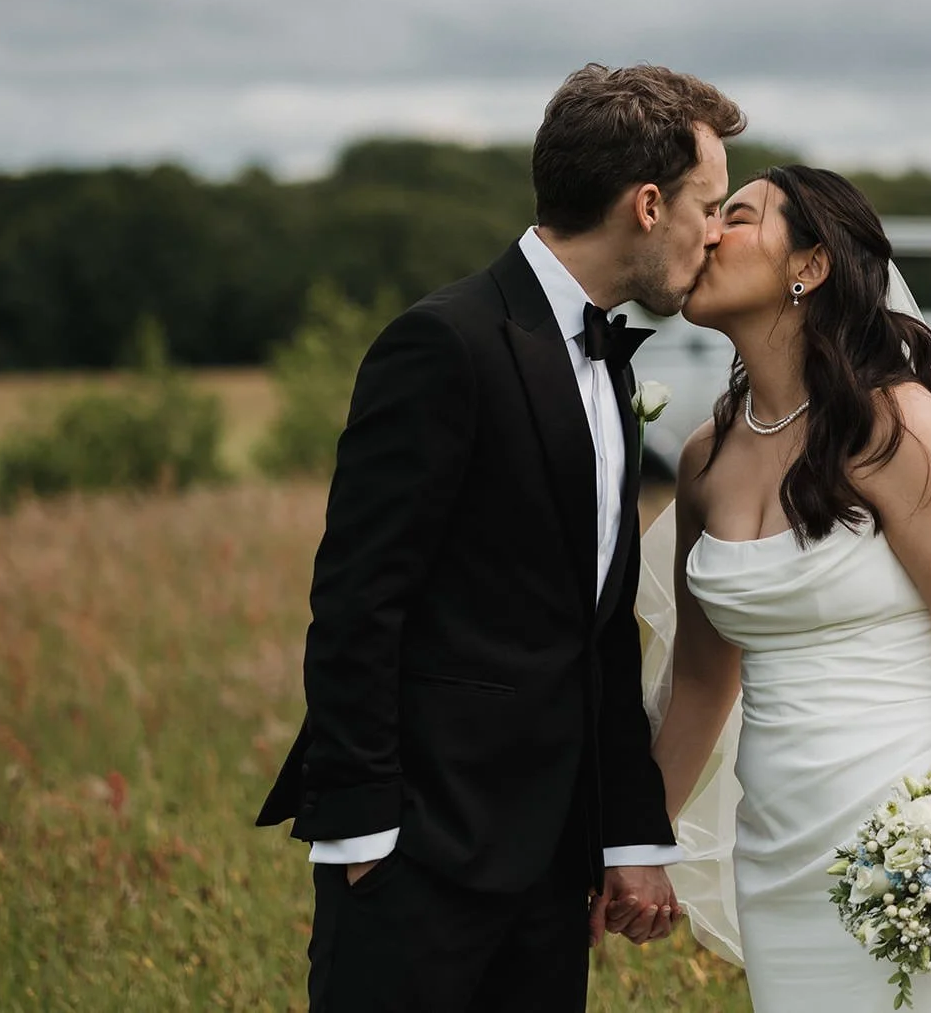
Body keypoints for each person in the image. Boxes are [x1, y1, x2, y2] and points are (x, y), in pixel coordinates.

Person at [255, 63, 744, 1012]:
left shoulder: (609, 363)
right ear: (648, 204)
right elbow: (359, 599)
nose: (715, 231)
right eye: (708, 203)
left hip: (551, 874)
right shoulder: (444, 343)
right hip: (416, 860)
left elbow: (591, 632)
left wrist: (631, 838)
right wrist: (363, 841)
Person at [641, 165, 931, 1011]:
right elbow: (707, 680)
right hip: (780, 854)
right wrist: (641, 840)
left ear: (810, 266)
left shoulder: (896, 429)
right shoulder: (703, 459)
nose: (707, 232)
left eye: (737, 217)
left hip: (910, 846)